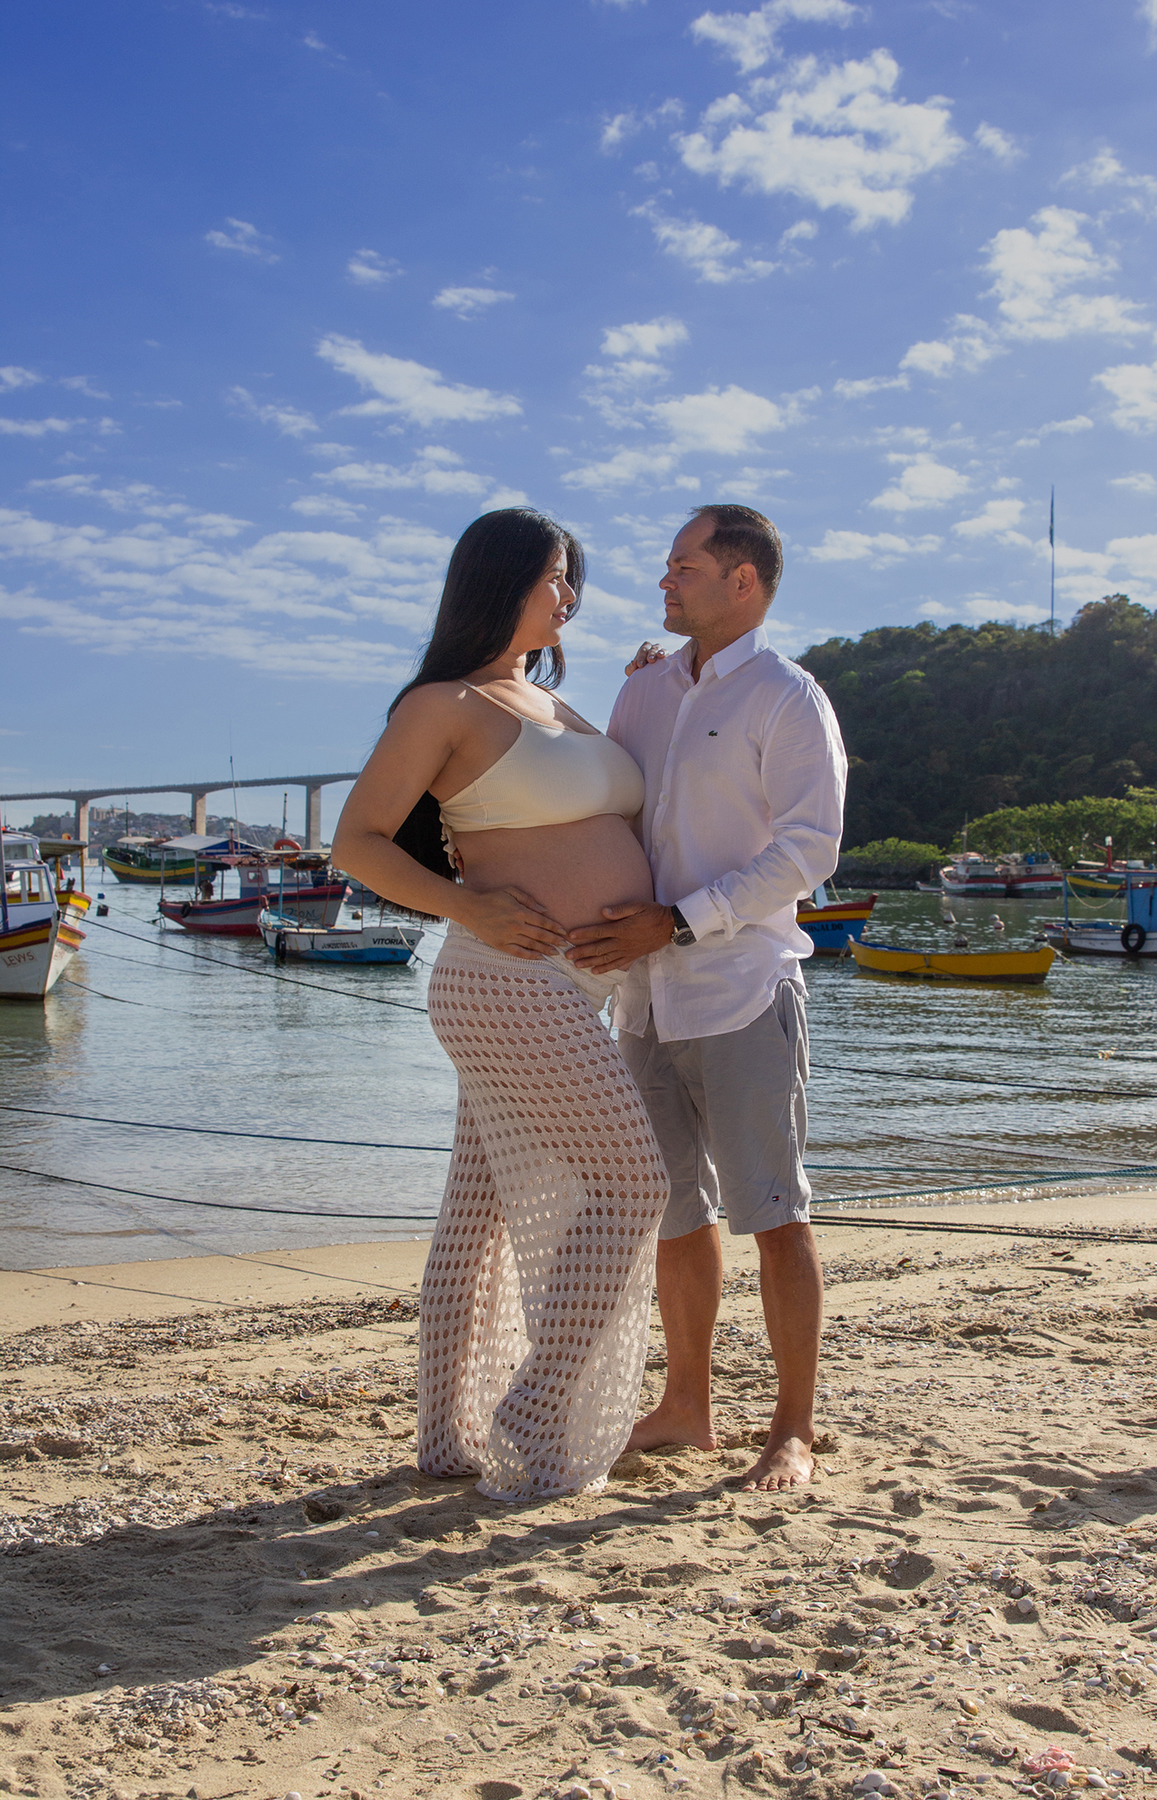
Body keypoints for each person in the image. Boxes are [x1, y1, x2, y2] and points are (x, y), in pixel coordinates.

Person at [332, 508, 669, 1503]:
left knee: (475, 1219)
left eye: (574, 583)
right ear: (502, 579)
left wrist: (651, 687)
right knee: (633, 1184)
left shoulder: (557, 707)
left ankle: (447, 1436)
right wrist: (463, 902)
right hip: (507, 982)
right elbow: (358, 842)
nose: (570, 598)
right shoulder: (444, 705)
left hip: (570, 988)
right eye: (557, 578)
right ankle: (535, 1404)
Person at [567, 504, 847, 1492]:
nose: (663, 582)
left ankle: (794, 1430)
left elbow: (810, 850)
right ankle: (688, 1405)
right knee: (675, 1214)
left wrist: (681, 921)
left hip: (739, 989)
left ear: (745, 583)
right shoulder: (642, 692)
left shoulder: (789, 697)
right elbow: (603, 804)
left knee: (774, 1211)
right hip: (643, 999)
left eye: (683, 567)